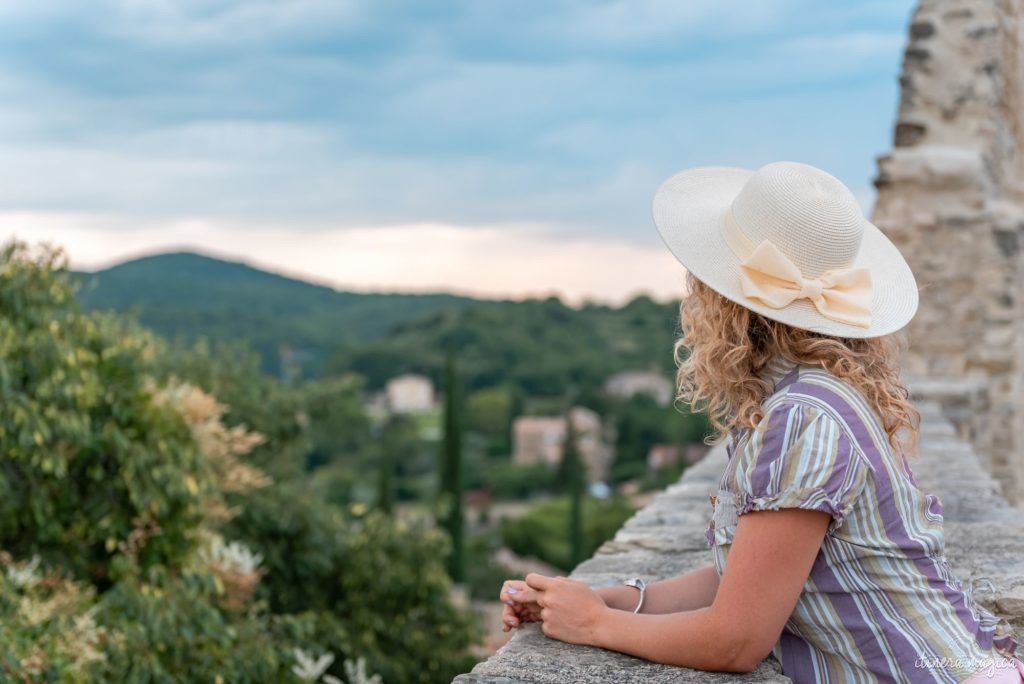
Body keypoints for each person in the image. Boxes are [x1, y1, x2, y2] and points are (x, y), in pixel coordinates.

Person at [500, 161, 1024, 682]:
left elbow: (736, 641)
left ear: (725, 301)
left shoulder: (802, 418)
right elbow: (758, 577)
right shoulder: (816, 396)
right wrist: (609, 600)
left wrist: (593, 626)